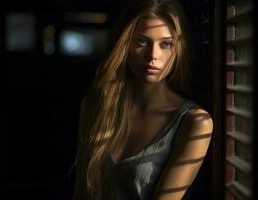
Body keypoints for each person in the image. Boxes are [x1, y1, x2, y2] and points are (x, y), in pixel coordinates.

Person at [72, 0, 213, 199]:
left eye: (166, 44)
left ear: (178, 49)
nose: (153, 56)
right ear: (125, 45)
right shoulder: (94, 107)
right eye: (142, 42)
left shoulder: (194, 123)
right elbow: (81, 191)